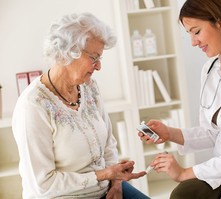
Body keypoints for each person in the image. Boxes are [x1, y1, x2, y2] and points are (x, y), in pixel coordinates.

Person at [12, 12, 149, 199]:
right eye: (94, 58)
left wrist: (116, 182)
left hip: (106, 188)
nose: (99, 66)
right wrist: (105, 175)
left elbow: (109, 144)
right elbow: (43, 184)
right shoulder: (33, 106)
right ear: (68, 53)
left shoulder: (89, 88)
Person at [138, 0, 221, 198]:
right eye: (189, 33)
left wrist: (185, 173)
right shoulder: (210, 70)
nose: (193, 42)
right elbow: (213, 132)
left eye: (196, 31)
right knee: (183, 195)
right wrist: (170, 133)